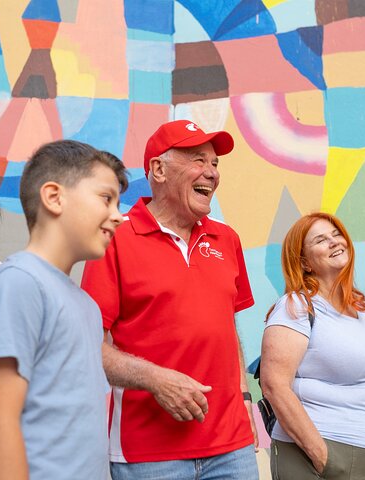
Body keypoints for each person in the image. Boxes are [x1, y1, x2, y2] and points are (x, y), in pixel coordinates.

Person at [81, 120, 259, 479]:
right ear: (158, 170)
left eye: (215, 163)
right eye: (197, 160)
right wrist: (155, 380)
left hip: (232, 447)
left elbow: (227, 327)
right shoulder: (113, 238)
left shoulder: (227, 239)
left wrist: (243, 400)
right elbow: (87, 346)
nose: (210, 172)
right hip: (148, 454)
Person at [0, 140, 127, 479]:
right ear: (54, 197)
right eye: (105, 198)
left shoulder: (87, 307)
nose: (118, 216)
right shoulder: (19, 284)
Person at [261, 212, 365, 480]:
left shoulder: (362, 310)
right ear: (304, 263)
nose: (335, 242)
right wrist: (323, 456)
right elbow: (274, 385)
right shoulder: (296, 307)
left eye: (337, 234)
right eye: (321, 240)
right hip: (328, 456)